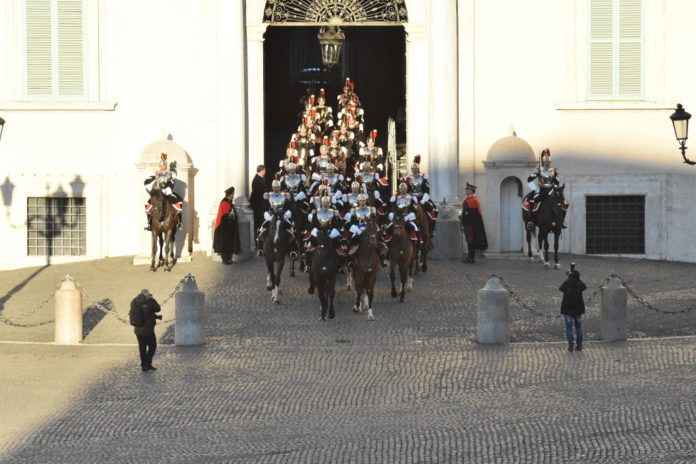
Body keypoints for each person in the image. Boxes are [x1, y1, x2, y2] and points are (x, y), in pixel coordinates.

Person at [526, 148, 567, 228]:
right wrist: (535, 188)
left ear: (550, 162)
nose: (547, 163)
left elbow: (557, 183)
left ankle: (562, 221)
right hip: (541, 190)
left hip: (551, 191)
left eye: (548, 161)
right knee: (531, 200)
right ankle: (531, 221)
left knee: (564, 203)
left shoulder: (553, 171)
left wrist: (553, 187)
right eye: (545, 161)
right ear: (543, 162)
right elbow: (529, 180)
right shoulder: (539, 171)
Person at [144, 153, 183, 231]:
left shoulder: (170, 173)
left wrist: (169, 176)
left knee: (178, 202)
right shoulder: (156, 172)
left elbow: (172, 180)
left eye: (163, 165)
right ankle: (148, 224)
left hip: (167, 191)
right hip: (157, 191)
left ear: (166, 166)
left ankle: (179, 223)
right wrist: (155, 177)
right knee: (148, 206)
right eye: (161, 165)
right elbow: (151, 181)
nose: (162, 167)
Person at [130, 289, 162, 372]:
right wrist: (152, 299)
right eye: (149, 295)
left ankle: (144, 365)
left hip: (138, 329)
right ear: (147, 295)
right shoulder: (149, 303)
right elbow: (158, 308)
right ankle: (148, 364)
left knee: (142, 347)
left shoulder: (134, 301)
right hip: (148, 330)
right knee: (153, 346)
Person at [559, 267, 587, 351]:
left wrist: (569, 277)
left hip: (567, 308)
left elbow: (561, 288)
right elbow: (584, 287)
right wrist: (577, 278)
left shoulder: (567, 282)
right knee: (579, 327)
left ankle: (570, 345)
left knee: (569, 327)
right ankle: (579, 345)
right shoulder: (579, 283)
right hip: (578, 308)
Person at [459, 182, 488, 263]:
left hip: (470, 225)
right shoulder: (468, 200)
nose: (465, 190)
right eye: (466, 189)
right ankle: (470, 256)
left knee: (471, 240)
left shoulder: (473, 200)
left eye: (467, 189)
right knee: (469, 240)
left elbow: (474, 215)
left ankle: (471, 258)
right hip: (467, 224)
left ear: (471, 191)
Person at [213, 186, 240, 265]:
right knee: (225, 244)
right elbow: (225, 216)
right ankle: (225, 260)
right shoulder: (225, 202)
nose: (233, 195)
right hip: (224, 227)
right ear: (230, 195)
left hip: (228, 227)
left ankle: (229, 258)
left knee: (229, 244)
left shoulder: (229, 201)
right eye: (233, 194)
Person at [249, 164, 266, 250]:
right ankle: (258, 245)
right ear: (262, 170)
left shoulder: (260, 179)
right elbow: (258, 194)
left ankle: (260, 244)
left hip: (259, 206)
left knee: (260, 225)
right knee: (258, 225)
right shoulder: (257, 180)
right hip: (258, 206)